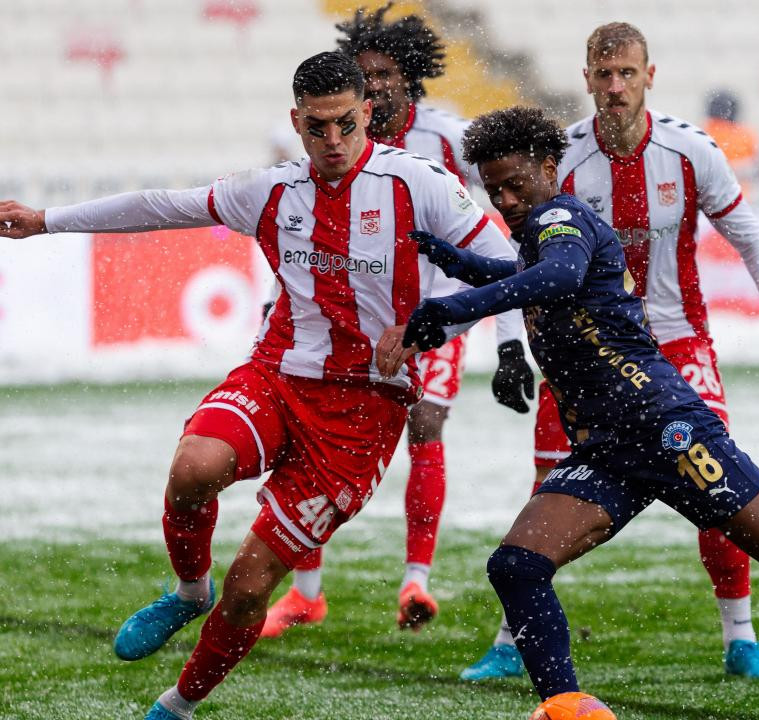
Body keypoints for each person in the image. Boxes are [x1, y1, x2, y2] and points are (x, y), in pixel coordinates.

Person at [386, 105, 759, 702]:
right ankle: (566, 706)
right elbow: (528, 273)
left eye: (516, 184)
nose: (507, 200)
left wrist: (453, 306)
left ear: (549, 168)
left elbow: (560, 277)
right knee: (515, 566)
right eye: (495, 190)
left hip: (666, 429)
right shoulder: (542, 238)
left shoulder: (562, 216)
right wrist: (457, 262)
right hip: (607, 449)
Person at [0, 51, 518, 720]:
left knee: (249, 588)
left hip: (363, 412)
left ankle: (175, 707)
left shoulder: (418, 183)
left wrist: (430, 327)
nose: (332, 142)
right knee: (194, 468)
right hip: (278, 376)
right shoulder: (271, 190)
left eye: (345, 124)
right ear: (296, 123)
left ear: (367, 114)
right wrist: (46, 219)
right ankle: (189, 591)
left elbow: (506, 268)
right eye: (317, 127)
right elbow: (160, 206)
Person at [460, 22, 759, 683]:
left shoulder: (690, 151)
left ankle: (741, 637)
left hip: (677, 342)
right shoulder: (559, 160)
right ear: (587, 79)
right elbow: (518, 261)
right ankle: (510, 640)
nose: (616, 86)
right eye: (604, 74)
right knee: (550, 486)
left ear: (650, 76)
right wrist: (510, 348)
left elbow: (749, 235)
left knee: (717, 481)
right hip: (585, 353)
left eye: (627, 73)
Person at [260, 2, 535, 640]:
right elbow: (297, 228)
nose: (376, 86)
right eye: (366, 75)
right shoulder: (333, 143)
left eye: (386, 74)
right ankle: (305, 593)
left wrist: (510, 341)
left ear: (409, 77)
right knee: (303, 429)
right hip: (346, 316)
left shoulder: (448, 139)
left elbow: (501, 226)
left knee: (425, 422)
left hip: (436, 315)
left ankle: (416, 580)